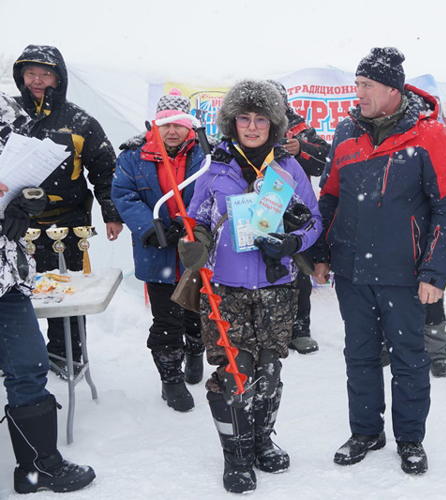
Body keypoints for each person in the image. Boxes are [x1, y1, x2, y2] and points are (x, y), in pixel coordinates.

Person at [311, 47, 446, 475]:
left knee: (409, 358)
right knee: (358, 355)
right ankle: (365, 431)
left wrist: (435, 271)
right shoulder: (346, 132)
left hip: (404, 272)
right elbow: (331, 196)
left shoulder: (429, 135)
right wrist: (321, 253)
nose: (358, 93)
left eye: (366, 86)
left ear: (393, 90)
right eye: (357, 85)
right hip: (352, 269)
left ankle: (410, 439)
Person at [180, 79, 321, 493]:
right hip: (224, 287)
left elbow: (312, 221)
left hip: (276, 286)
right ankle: (236, 455)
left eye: (261, 118)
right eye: (245, 117)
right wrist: (195, 244)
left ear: (273, 124)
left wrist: (294, 241)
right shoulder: (213, 167)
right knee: (233, 371)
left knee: (269, 369)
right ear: (232, 121)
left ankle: (261, 440)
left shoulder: (288, 168)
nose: (253, 126)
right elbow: (197, 219)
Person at [1, 91, 96, 494]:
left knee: (29, 368)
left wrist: (26, 201)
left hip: (7, 278)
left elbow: (21, 171)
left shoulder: (6, 111)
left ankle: (39, 467)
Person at [12, 45, 123, 376]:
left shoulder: (79, 121)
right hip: (15, 224)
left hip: (69, 224)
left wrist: (111, 213)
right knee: (14, 295)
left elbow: (105, 170)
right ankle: (17, 359)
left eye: (46, 73)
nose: (38, 80)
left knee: (68, 295)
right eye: (31, 72)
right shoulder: (7, 116)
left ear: (59, 78)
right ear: (20, 75)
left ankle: (67, 357)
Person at [112, 89, 207, 412]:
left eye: (178, 123)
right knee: (167, 320)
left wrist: (188, 221)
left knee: (197, 313)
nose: (171, 130)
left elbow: (212, 191)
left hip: (195, 250)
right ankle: (171, 378)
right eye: (165, 122)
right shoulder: (133, 156)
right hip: (157, 252)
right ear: (155, 124)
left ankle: (195, 352)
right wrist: (149, 226)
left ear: (189, 126)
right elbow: (123, 195)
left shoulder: (204, 154)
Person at [269, 80, 331, 355]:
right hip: (260, 206)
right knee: (264, 267)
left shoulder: (300, 128)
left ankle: (300, 328)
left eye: (276, 101)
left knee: (300, 271)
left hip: (296, 209)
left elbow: (325, 160)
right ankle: (269, 330)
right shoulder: (250, 124)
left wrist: (301, 149)